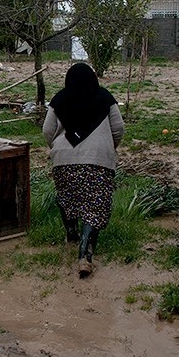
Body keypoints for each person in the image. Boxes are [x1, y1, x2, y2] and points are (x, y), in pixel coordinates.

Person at [42, 62, 124, 278]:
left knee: (67, 196)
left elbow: (47, 130)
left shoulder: (59, 99)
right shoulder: (105, 98)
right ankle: (85, 256)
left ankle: (71, 233)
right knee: (94, 205)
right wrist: (108, 148)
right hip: (98, 162)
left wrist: (58, 149)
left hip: (64, 161)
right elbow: (119, 128)